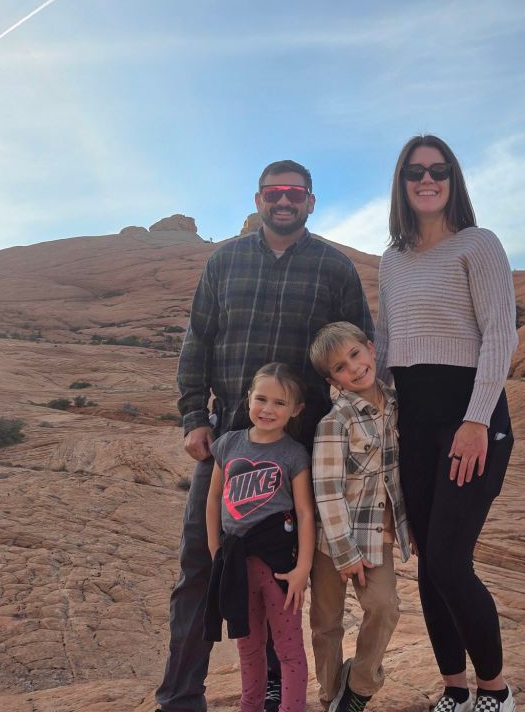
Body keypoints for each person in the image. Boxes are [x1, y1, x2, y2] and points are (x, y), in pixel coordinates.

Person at [155, 159, 374, 712]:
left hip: (298, 455)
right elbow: (198, 341)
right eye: (274, 192)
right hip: (227, 442)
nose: (284, 201)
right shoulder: (224, 262)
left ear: (310, 202)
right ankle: (180, 697)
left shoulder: (334, 268)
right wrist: (193, 416)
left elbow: (357, 354)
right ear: (258, 200)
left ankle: (275, 687)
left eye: (295, 193)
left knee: (280, 577)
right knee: (201, 568)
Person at [375, 135, 519, 712]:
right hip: (415, 425)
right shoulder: (392, 260)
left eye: (438, 170)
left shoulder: (477, 245)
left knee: (450, 562)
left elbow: (500, 335)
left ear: (454, 179)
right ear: (402, 184)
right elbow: (386, 341)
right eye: (415, 172)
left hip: (471, 421)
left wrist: (476, 419)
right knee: (429, 565)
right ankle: (455, 691)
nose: (427, 180)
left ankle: (496, 692)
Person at [307, 322, 411, 712]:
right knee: (326, 624)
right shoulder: (336, 421)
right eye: (340, 367)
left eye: (355, 354)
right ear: (331, 380)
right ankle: (330, 697)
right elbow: (327, 490)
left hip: (376, 536)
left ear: (370, 348)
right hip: (331, 544)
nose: (353, 367)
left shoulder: (399, 404)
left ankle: (360, 687)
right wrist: (345, 551)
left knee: (384, 606)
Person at [204, 363, 315, 712]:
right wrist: (215, 549)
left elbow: (305, 513)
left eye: (280, 403)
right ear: (249, 398)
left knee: (289, 649)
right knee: (248, 647)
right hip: (236, 564)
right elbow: (213, 499)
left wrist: (303, 569)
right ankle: (249, 706)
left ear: (296, 409)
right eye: (262, 399)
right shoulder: (228, 444)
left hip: (279, 567)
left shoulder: (293, 453)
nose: (268, 409)